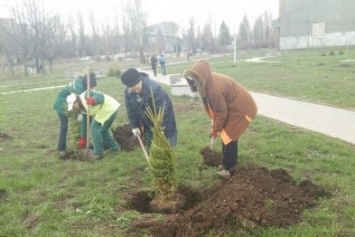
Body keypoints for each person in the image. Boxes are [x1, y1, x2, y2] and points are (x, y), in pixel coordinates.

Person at [183, 60, 257, 178]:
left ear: (201, 79)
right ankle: (225, 162)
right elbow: (215, 108)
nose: (194, 85)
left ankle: (230, 169)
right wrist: (217, 128)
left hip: (242, 108)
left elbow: (221, 112)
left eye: (196, 82)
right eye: (192, 82)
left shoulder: (214, 91)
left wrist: (215, 129)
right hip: (232, 105)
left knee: (229, 135)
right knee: (225, 134)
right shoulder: (208, 81)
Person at [120, 68, 177, 151]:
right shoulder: (128, 92)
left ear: (141, 82)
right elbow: (130, 109)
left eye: (137, 88)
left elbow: (163, 111)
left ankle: (166, 157)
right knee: (149, 139)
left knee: (165, 143)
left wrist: (160, 128)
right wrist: (134, 126)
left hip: (161, 118)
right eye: (133, 89)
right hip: (145, 120)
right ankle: (152, 158)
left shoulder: (154, 90)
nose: (136, 91)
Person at [53, 73, 97, 159]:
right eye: (91, 86)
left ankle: (82, 143)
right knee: (64, 126)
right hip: (62, 105)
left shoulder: (82, 83)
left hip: (72, 105)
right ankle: (61, 148)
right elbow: (79, 103)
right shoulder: (78, 87)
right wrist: (82, 113)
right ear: (87, 83)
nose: (92, 88)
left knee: (80, 124)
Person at [67, 90, 121, 160]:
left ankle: (98, 153)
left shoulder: (86, 95)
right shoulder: (83, 109)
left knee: (94, 127)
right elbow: (85, 123)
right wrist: (83, 138)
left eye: (73, 106)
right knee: (103, 131)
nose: (74, 109)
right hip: (107, 110)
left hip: (108, 107)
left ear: (76, 102)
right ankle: (115, 149)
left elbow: (101, 97)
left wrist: (93, 100)